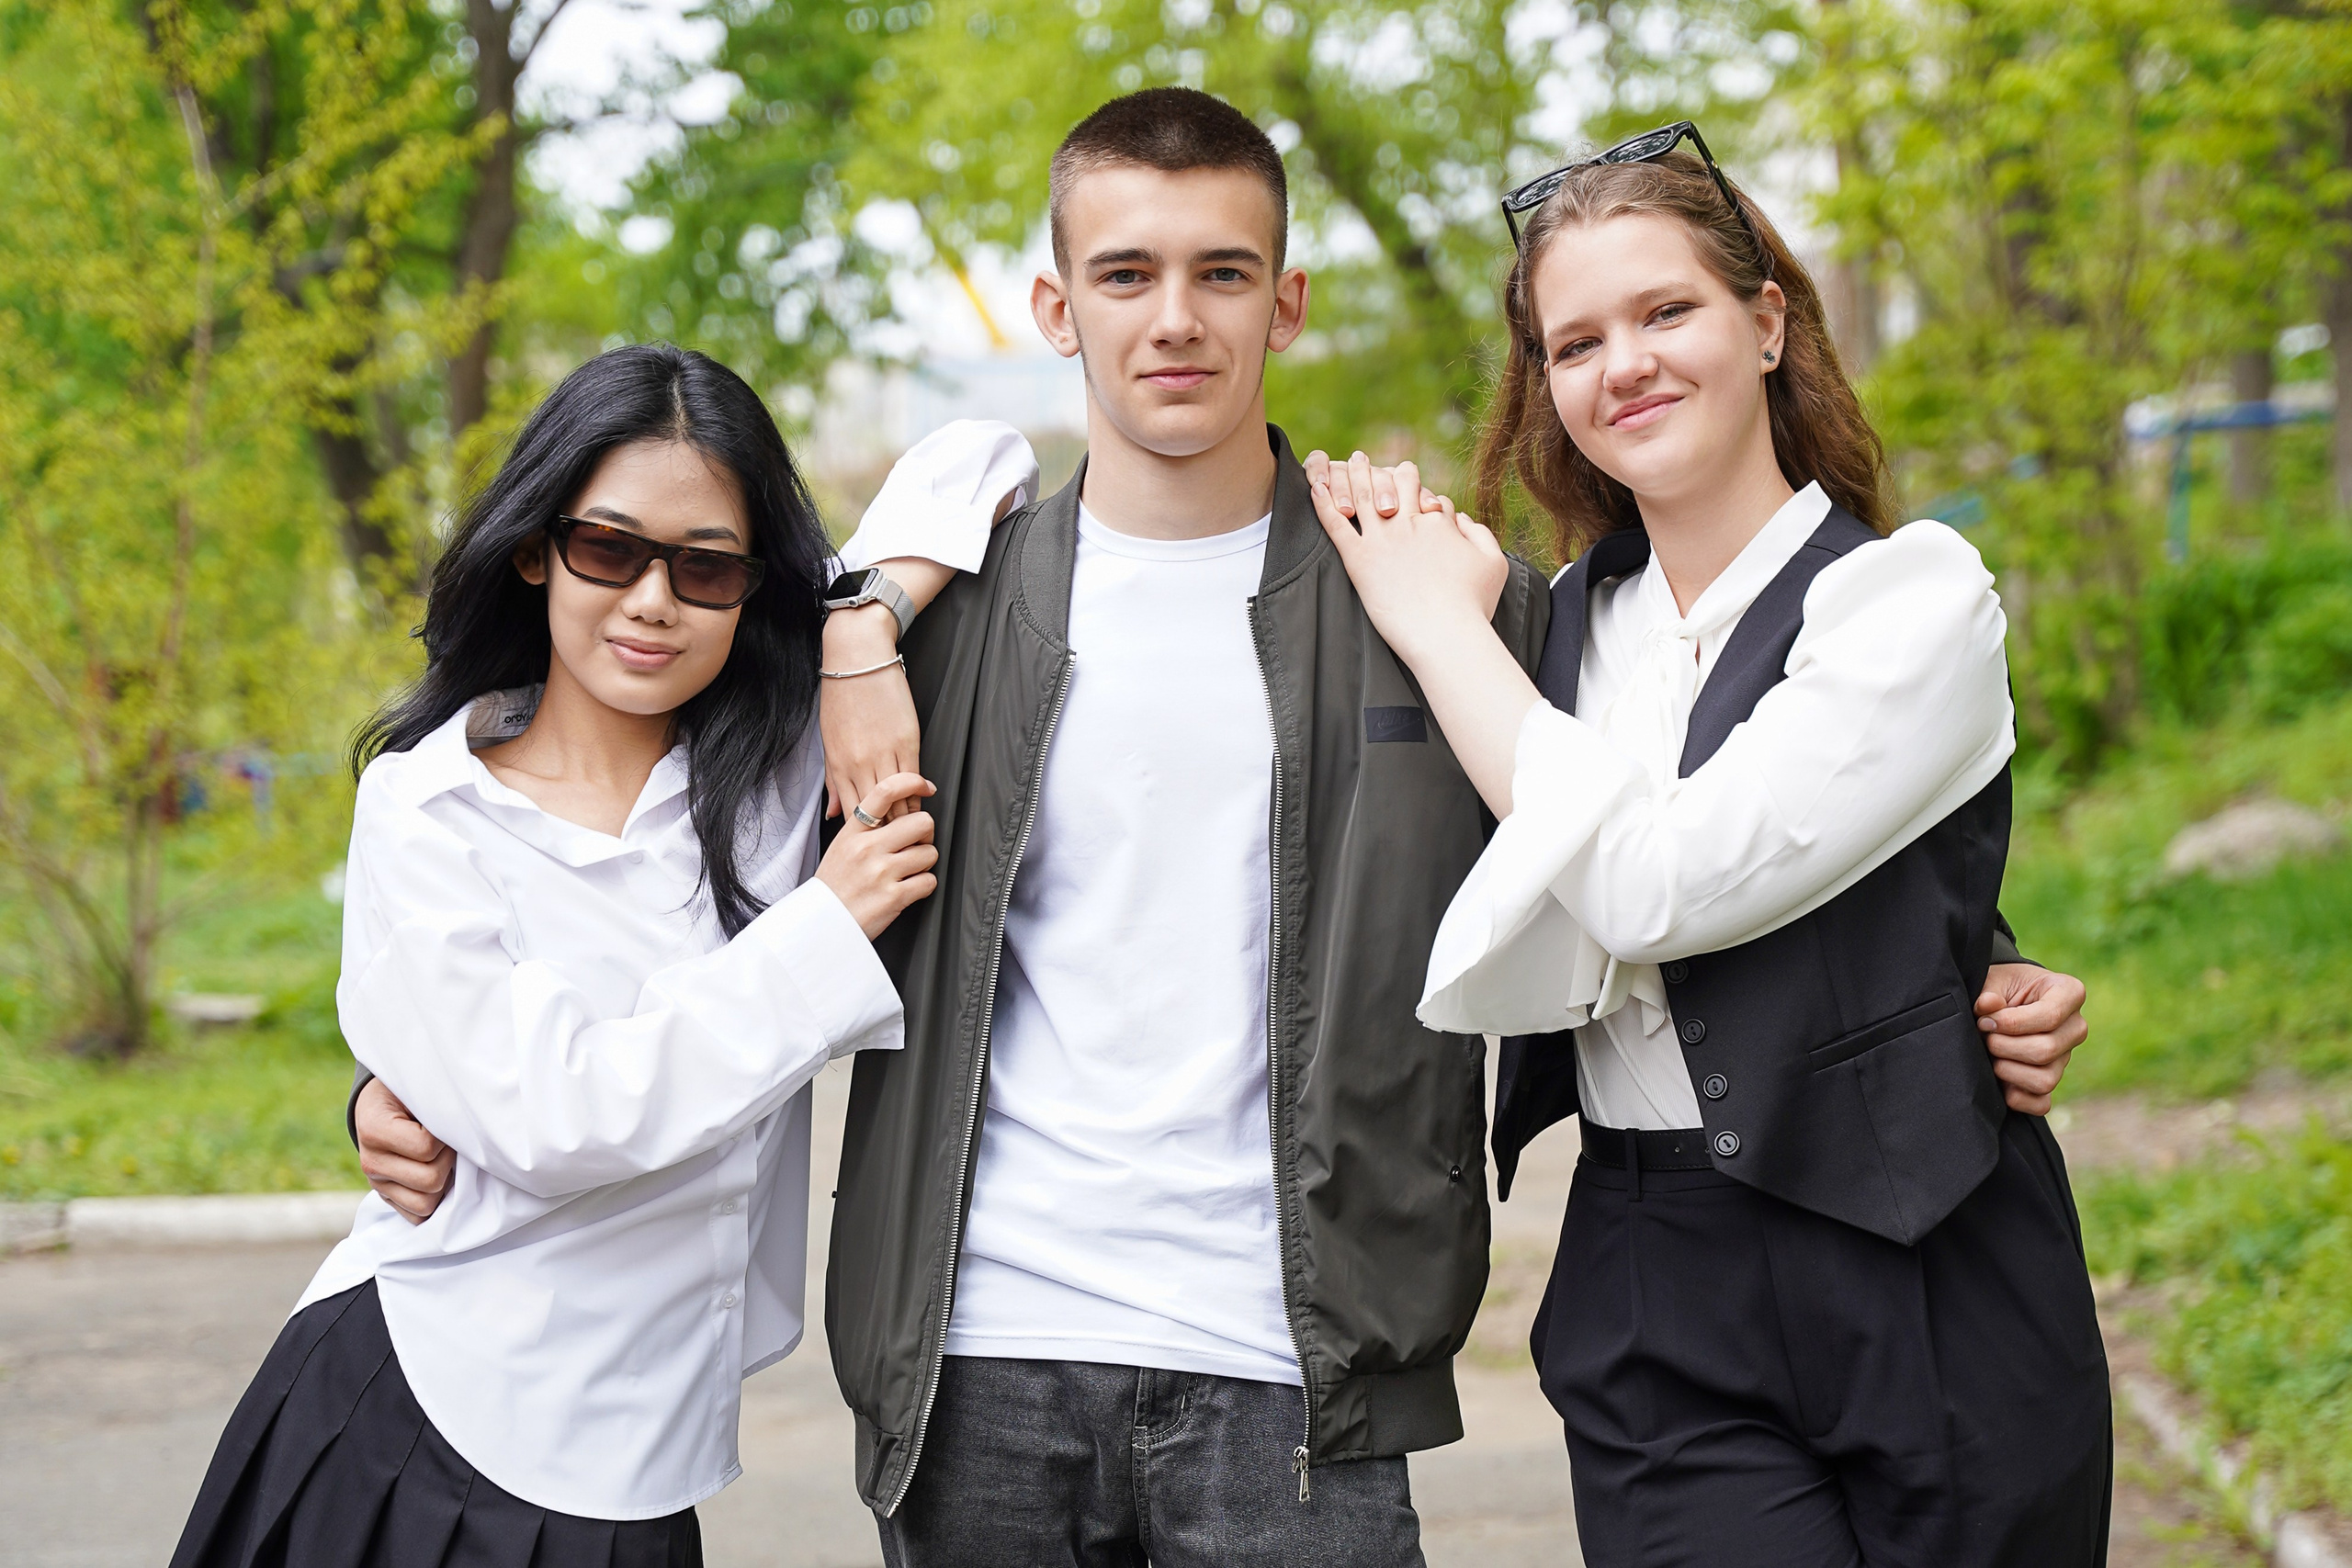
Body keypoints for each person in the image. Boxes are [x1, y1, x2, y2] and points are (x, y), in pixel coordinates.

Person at [361, 93, 2092, 1564]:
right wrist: (406, 1073)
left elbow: (1695, 813)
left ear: (1290, 301)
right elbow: (649, 855)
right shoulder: (932, 628)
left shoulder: (1443, 607)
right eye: (1125, 274)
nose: (1173, 320)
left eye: (1222, 273)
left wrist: (1964, 972)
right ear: (1057, 307)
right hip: (979, 1363)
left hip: (1299, 1381)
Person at [1300, 126, 2111, 1565]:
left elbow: (1658, 884)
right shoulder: (1544, 630)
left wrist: (1435, 628)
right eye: (1575, 342)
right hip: (1653, 1276)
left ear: (1767, 323)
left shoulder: (1911, 599)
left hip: (1927, 1263)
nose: (1625, 365)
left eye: (1666, 311)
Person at [171, 345, 944, 1568]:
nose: (653, 600)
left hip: (639, 1465)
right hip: (424, 1424)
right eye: (608, 548)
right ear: (536, 548)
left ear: (751, 590)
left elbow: (976, 461)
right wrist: (825, 931)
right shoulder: (431, 807)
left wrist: (860, 630)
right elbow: (553, 1118)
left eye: (706, 567)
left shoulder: (772, 778)